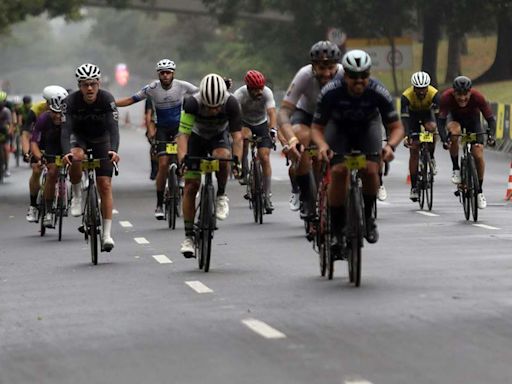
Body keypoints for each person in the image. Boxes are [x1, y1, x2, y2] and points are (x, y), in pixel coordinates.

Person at [311, 49, 404, 251]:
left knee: (371, 169)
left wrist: (390, 146)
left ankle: (369, 217)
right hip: (339, 130)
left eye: (364, 75)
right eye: (353, 76)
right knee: (338, 171)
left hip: (367, 128)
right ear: (345, 75)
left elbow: (396, 127)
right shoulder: (330, 91)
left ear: (369, 74)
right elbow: (317, 128)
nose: (359, 81)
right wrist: (323, 146)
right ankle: (337, 231)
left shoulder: (378, 91)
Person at [115, 59, 198, 219]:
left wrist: (222, 86)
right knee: (163, 164)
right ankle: (159, 204)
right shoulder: (152, 88)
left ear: (173, 73)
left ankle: (181, 178)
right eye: (162, 73)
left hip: (179, 128)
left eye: (168, 72)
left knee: (182, 158)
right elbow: (131, 99)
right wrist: (110, 103)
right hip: (162, 130)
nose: (165, 75)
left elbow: (204, 92)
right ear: (158, 74)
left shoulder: (182, 86)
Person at [177, 73, 243, 258]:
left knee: (223, 157)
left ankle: (221, 195)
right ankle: (189, 236)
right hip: (196, 138)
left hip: (218, 137)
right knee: (190, 186)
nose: (213, 110)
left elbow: (237, 137)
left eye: (217, 107)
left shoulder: (231, 103)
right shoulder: (192, 103)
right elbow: (183, 135)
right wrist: (183, 159)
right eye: (209, 106)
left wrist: (237, 161)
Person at [277, 40, 344, 218]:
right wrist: (292, 140)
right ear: (313, 66)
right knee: (302, 139)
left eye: (331, 67)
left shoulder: (345, 75)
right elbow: (283, 112)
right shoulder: (304, 75)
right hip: (306, 114)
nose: (327, 73)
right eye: (321, 68)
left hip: (333, 116)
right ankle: (307, 196)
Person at [61, 63, 120, 251]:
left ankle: (107, 234)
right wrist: (66, 153)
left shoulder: (106, 99)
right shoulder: (70, 101)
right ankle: (77, 195)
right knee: (76, 156)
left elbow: (113, 128)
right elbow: (65, 130)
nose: (89, 88)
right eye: (85, 84)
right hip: (79, 138)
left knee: (105, 184)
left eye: (93, 84)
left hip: (102, 139)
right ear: (79, 85)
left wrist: (114, 150)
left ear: (99, 83)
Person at [438, 75, 496, 209]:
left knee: (478, 154)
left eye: (465, 95)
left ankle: (479, 191)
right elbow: (440, 122)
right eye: (459, 94)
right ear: (453, 92)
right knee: (455, 132)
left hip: (473, 122)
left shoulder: (478, 97)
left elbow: (490, 119)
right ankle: (456, 168)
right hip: (455, 120)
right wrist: (444, 139)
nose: (462, 98)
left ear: (470, 92)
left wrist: (491, 136)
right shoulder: (446, 97)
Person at [233, 70, 277, 212]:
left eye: (261, 88)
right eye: (255, 89)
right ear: (248, 88)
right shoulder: (239, 95)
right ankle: (243, 168)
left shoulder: (267, 93)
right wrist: (238, 132)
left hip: (261, 123)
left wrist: (273, 129)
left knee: (264, 157)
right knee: (243, 139)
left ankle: (267, 195)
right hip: (244, 122)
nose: (259, 92)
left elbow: (271, 113)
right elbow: (235, 118)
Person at [25, 86, 68, 222]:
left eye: (60, 113)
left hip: (61, 145)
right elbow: (32, 140)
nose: (57, 116)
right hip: (44, 145)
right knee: (38, 168)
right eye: (53, 112)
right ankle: (33, 205)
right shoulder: (42, 116)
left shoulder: (69, 118)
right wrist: (39, 156)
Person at [401, 71, 440, 201]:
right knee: (414, 150)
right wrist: (408, 135)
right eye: (418, 89)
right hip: (412, 118)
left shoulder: (434, 93)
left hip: (426, 114)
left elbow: (440, 116)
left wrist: (441, 133)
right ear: (414, 87)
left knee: (432, 128)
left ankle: (431, 157)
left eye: (424, 88)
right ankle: (413, 187)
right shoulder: (406, 96)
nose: (422, 91)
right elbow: (405, 119)